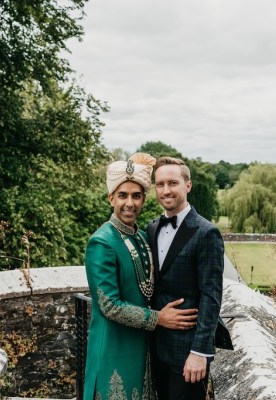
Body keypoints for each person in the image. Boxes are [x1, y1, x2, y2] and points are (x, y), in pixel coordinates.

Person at [83, 153, 198, 400]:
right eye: (123, 195)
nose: (130, 203)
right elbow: (108, 305)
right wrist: (159, 318)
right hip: (114, 345)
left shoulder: (143, 236)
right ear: (111, 197)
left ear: (144, 199)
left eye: (136, 196)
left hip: (142, 346)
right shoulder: (101, 242)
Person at [147, 156, 233, 400]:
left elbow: (211, 296)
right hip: (155, 348)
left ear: (188, 185)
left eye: (172, 183)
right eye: (160, 184)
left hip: (187, 354)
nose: (166, 190)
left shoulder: (207, 232)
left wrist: (200, 352)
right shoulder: (152, 228)